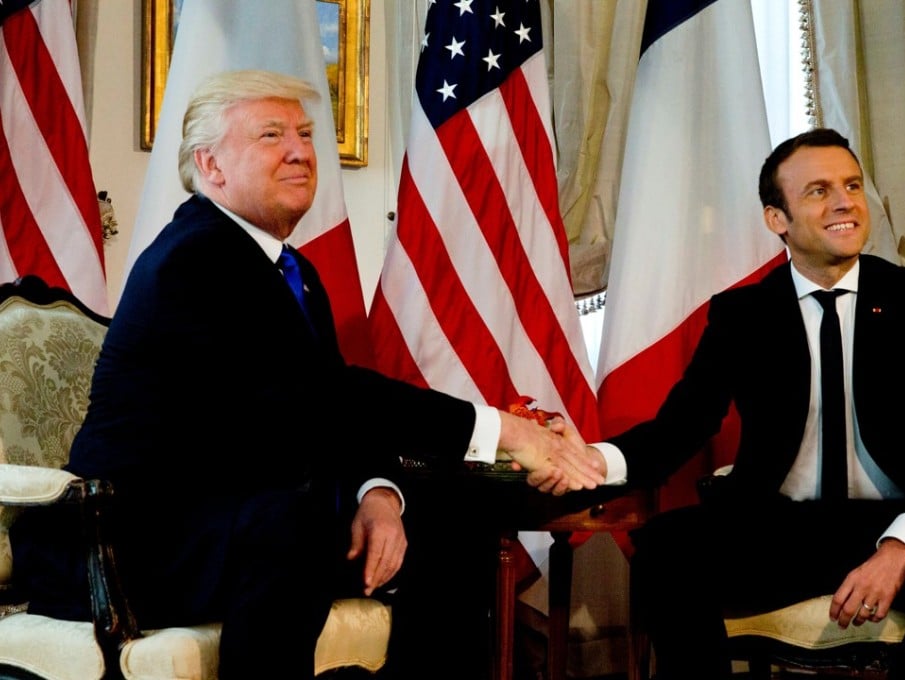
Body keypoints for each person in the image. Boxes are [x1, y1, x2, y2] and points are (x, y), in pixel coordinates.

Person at [10, 69, 601, 680]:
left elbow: (321, 412)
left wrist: (378, 494)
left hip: (241, 523)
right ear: (210, 165)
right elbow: (326, 396)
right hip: (136, 539)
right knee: (296, 520)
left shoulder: (296, 272)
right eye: (271, 135)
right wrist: (508, 431)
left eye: (305, 133)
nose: (299, 150)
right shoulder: (197, 258)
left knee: (455, 515)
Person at [533, 128, 905, 679]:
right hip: (778, 525)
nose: (844, 202)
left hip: (896, 516)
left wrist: (899, 548)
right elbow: (680, 428)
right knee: (667, 553)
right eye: (818, 190)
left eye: (852, 185)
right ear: (775, 219)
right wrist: (594, 460)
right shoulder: (744, 314)